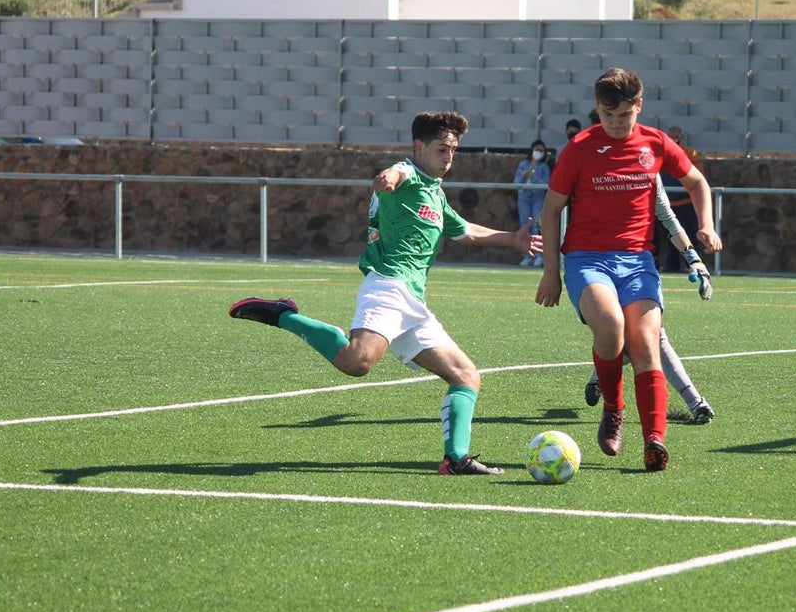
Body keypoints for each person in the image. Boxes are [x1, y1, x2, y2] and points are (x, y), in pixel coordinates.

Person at [230, 111, 541, 476]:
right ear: (419, 147)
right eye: (442, 149)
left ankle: (455, 460)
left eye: (454, 150)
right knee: (356, 362)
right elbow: (396, 173)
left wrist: (512, 239)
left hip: (414, 304)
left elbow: (466, 230)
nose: (449, 157)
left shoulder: (434, 194)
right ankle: (283, 315)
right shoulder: (408, 175)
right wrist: (388, 178)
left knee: (466, 375)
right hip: (388, 286)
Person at [535, 68, 721, 472]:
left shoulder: (655, 142)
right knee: (611, 327)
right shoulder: (579, 148)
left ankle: (654, 440)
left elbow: (697, 183)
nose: (616, 123)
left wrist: (706, 225)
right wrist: (550, 273)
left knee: (646, 342)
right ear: (597, 109)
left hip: (638, 262)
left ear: (639, 105)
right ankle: (614, 409)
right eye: (607, 115)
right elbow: (550, 211)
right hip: (586, 259)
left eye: (624, 115)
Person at [584, 174, 716, 424]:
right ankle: (695, 402)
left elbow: (667, 217)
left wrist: (694, 259)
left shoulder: (648, 170)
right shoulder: (593, 163)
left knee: (652, 333)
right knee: (618, 329)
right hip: (594, 264)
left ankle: (695, 403)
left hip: (637, 263)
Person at [660, 125, 703, 273]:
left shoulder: (689, 153)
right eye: (671, 136)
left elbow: (698, 179)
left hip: (685, 202)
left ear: (681, 137)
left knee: (690, 234)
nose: (674, 139)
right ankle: (671, 265)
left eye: (677, 136)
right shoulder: (661, 152)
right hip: (667, 203)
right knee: (670, 236)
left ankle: (693, 264)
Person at [514, 138, 551, 267]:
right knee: (525, 226)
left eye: (541, 150)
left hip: (538, 198)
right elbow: (516, 183)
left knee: (537, 226)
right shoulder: (523, 164)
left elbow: (546, 184)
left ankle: (539, 255)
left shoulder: (544, 167)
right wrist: (524, 175)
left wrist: (534, 177)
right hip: (524, 197)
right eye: (536, 149)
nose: (538, 152)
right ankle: (527, 256)